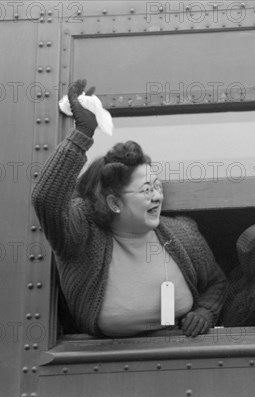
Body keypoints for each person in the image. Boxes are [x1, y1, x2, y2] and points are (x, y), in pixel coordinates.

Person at [32, 79, 227, 338]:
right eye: (146, 190)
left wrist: (205, 311)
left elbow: (217, 283)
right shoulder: (81, 237)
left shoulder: (184, 235)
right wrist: (81, 135)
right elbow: (46, 199)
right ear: (114, 203)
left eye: (157, 186)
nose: (157, 196)